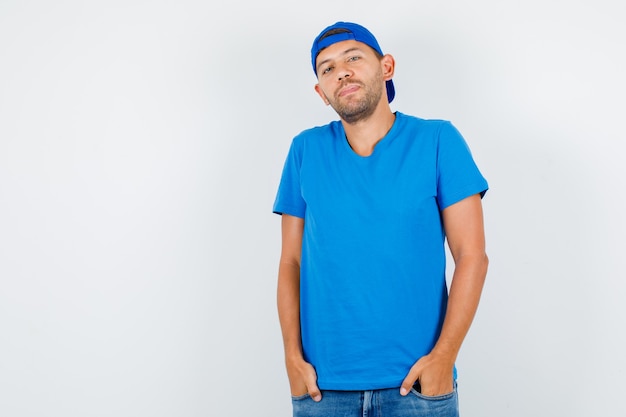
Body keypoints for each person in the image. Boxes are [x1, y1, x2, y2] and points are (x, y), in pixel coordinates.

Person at [273, 21, 489, 417]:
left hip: (417, 387)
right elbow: (290, 262)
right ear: (322, 93)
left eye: (353, 57)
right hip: (323, 389)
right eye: (327, 68)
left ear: (386, 66)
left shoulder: (438, 140)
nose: (342, 71)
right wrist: (291, 357)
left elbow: (472, 255)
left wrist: (444, 357)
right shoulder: (305, 151)